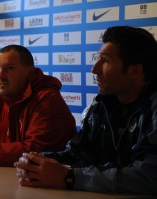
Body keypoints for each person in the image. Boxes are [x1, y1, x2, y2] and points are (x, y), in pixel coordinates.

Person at [14, 26, 157, 195]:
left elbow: (149, 176)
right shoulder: (102, 106)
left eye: (105, 60)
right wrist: (38, 161)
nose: (94, 69)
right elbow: (79, 153)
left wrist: (70, 177)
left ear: (134, 71)